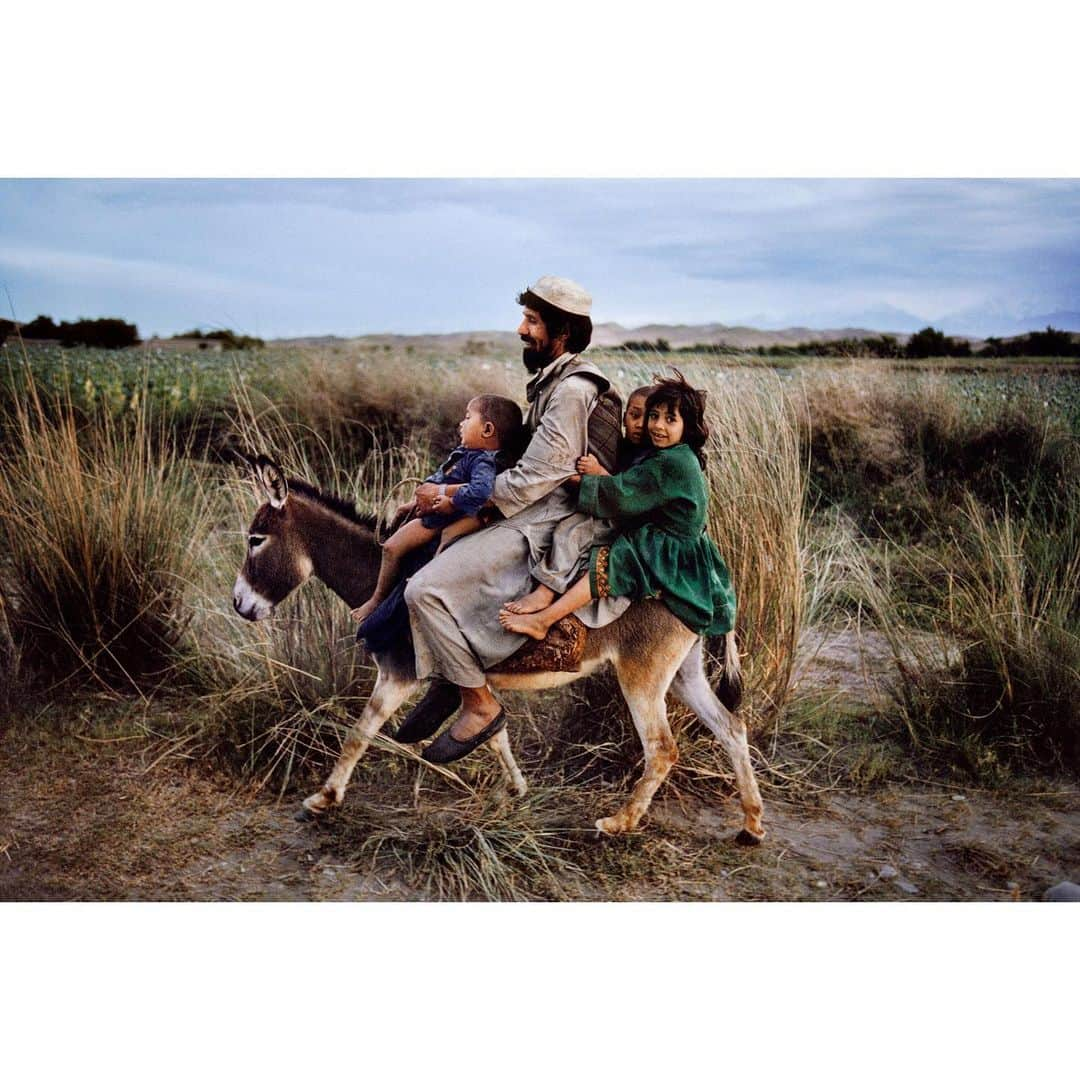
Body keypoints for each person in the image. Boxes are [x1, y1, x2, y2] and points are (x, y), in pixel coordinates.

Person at [400, 275, 630, 764]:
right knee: (445, 558)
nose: (521, 330)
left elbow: (535, 478)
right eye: (524, 318)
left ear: (561, 333)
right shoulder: (554, 382)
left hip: (547, 519)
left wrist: (456, 497)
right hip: (536, 508)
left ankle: (478, 704)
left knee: (422, 590)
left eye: (531, 321)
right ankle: (452, 677)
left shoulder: (571, 391)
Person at [498, 371, 737, 644]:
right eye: (654, 416)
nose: (657, 426)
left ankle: (544, 619)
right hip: (672, 536)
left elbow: (624, 493)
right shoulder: (678, 455)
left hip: (670, 547)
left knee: (612, 563)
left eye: (670, 420)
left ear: (688, 426)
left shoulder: (670, 463)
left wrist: (578, 479)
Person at [349, 394, 523, 627]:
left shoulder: (483, 462)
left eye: (468, 417)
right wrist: (414, 502)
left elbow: (480, 491)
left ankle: (377, 599)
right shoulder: (466, 454)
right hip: (437, 512)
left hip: (442, 518)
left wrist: (446, 498)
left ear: (487, 429)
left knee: (391, 548)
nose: (462, 423)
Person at [503, 383, 655, 615]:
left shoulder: (650, 457)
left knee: (571, 531)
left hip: (625, 519)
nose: (640, 424)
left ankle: (547, 590)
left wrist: (598, 473)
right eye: (634, 415)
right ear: (624, 418)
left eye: (649, 418)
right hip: (607, 507)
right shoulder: (623, 447)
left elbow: (627, 491)